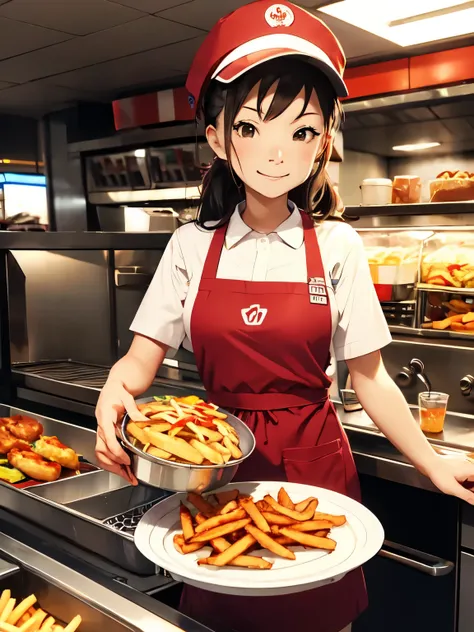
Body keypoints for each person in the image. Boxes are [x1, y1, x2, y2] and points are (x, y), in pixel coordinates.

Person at [95, 2, 474, 631]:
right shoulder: (190, 245)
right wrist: (113, 401)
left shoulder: (339, 245)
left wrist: (432, 463)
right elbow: (139, 361)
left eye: (301, 132)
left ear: (324, 140)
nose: (277, 154)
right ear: (217, 136)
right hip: (213, 467)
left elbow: (371, 377)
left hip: (317, 464)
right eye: (251, 129)